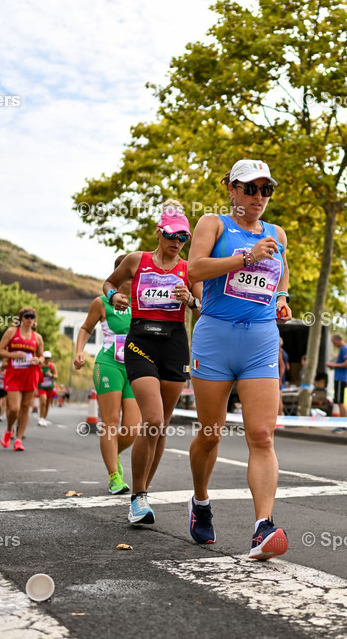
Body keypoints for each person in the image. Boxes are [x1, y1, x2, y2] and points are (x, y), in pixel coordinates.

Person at [186, 160, 293, 560]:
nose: (259, 198)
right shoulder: (213, 223)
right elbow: (193, 269)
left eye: (266, 190)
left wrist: (282, 298)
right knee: (210, 433)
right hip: (215, 336)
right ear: (231, 189)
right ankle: (199, 500)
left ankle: (262, 527)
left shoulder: (276, 234)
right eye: (250, 189)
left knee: (262, 435)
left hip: (261, 342)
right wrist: (244, 259)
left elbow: (281, 275)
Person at [104, 201, 201, 525]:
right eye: (172, 235)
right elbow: (108, 283)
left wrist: (192, 300)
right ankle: (138, 497)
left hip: (174, 345)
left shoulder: (189, 269)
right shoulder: (137, 261)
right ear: (159, 232)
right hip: (141, 343)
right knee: (154, 420)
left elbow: (203, 309)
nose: (177, 243)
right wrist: (112, 297)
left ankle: (144, 493)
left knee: (161, 429)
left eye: (183, 238)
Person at [75, 253, 141, 495]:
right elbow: (85, 328)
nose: (133, 280)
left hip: (135, 366)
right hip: (109, 365)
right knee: (110, 423)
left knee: (133, 429)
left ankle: (113, 455)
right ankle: (114, 476)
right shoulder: (101, 302)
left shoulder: (141, 301)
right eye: (129, 275)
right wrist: (79, 351)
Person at [0, 307, 45, 451]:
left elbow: (41, 356)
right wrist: (13, 355)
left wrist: (38, 360)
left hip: (30, 374)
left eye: (32, 317)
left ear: (35, 320)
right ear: (21, 318)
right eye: (27, 316)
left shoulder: (37, 337)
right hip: (14, 374)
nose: (29, 319)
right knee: (14, 409)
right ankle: (9, 429)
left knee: (25, 408)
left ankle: (18, 439)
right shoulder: (11, 332)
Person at [328, 333, 347, 433]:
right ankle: (343, 424)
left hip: (341, 378)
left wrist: (334, 364)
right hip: (340, 378)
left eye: (333, 342)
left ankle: (344, 425)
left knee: (340, 401)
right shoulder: (343, 349)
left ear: (337, 340)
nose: (334, 344)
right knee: (339, 401)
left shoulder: (344, 349)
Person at [36, 352, 58, 426]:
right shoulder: (39, 366)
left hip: (49, 387)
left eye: (48, 358)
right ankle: (41, 418)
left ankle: (44, 418)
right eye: (46, 358)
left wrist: (50, 375)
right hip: (41, 387)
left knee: (47, 403)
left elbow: (56, 376)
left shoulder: (52, 366)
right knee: (43, 401)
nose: (47, 360)